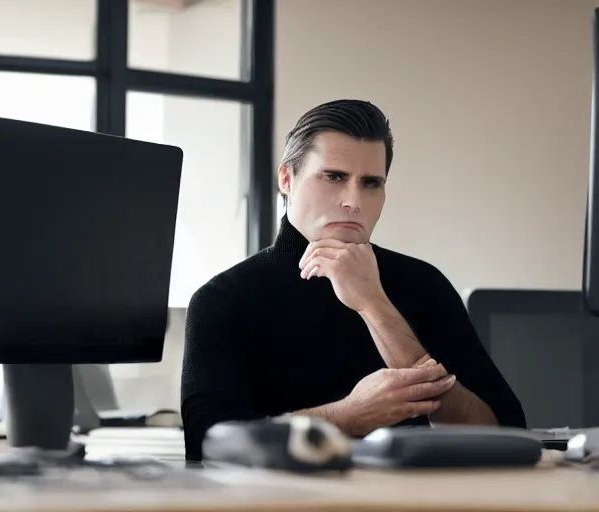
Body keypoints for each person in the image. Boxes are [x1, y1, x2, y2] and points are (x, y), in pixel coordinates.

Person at [180, 99, 525, 461]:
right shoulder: (222, 299)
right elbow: (206, 444)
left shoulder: (424, 284)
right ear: (286, 179)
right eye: (334, 177)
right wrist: (347, 416)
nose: (353, 201)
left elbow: (506, 431)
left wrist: (374, 304)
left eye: (370, 183)